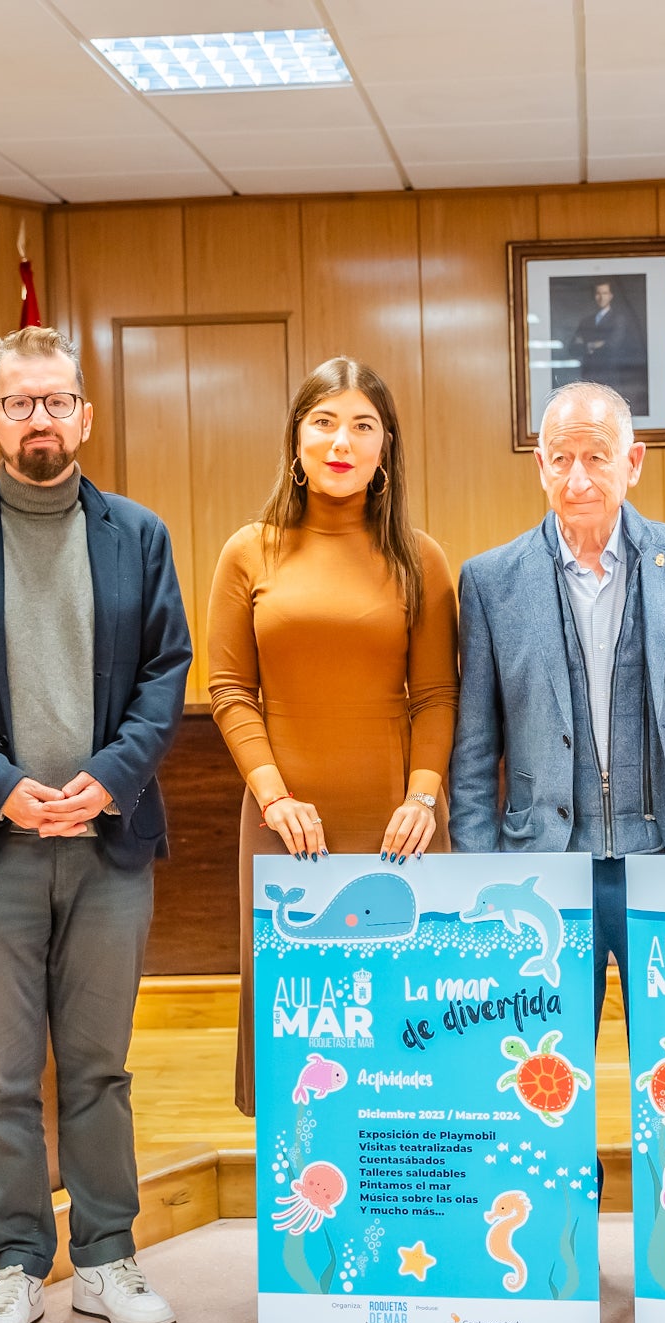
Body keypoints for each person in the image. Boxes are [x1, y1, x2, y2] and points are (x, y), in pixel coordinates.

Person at [0, 325, 192, 1323]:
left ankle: (108, 1257)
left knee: (100, 1069)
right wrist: (0, 789)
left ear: (85, 415)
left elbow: (166, 674)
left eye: (56, 401)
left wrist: (108, 777)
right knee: (0, 1076)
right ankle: (16, 1264)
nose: (40, 420)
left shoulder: (138, 534)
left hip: (107, 843)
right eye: (19, 403)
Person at [452, 381, 665, 1044]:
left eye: (596, 456)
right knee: (544, 1066)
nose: (578, 477)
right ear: (540, 466)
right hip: (543, 869)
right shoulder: (489, 581)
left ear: (633, 461)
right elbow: (473, 751)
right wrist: (480, 870)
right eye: (561, 459)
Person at [209, 356, 459, 1116]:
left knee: (405, 1033)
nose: (341, 441)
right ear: (296, 439)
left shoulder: (420, 556)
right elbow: (229, 690)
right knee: (301, 1030)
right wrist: (274, 796)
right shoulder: (248, 550)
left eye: (362, 425)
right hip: (282, 822)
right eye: (323, 422)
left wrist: (423, 799)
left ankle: (409, 1182)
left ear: (386, 447)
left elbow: (437, 694)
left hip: (400, 825)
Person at [567, 279, 647, 410]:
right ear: (594, 296)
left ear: (611, 296)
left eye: (604, 293)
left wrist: (586, 344)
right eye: (598, 293)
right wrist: (595, 344)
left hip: (610, 376)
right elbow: (573, 348)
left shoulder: (618, 319)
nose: (601, 297)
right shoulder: (586, 321)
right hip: (588, 377)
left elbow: (613, 345)